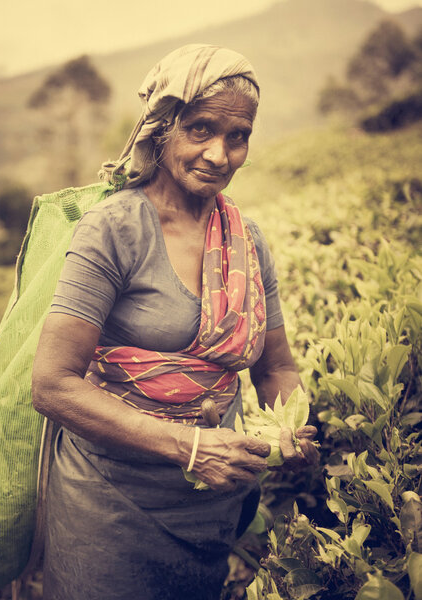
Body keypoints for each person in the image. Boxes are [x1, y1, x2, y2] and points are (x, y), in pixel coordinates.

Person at [32, 44, 319, 600]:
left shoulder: (247, 239)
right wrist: (188, 447)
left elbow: (277, 365)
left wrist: (290, 425)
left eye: (238, 136)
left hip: (212, 508)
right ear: (164, 128)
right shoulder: (114, 230)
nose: (219, 153)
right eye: (200, 129)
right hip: (111, 508)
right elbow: (52, 384)